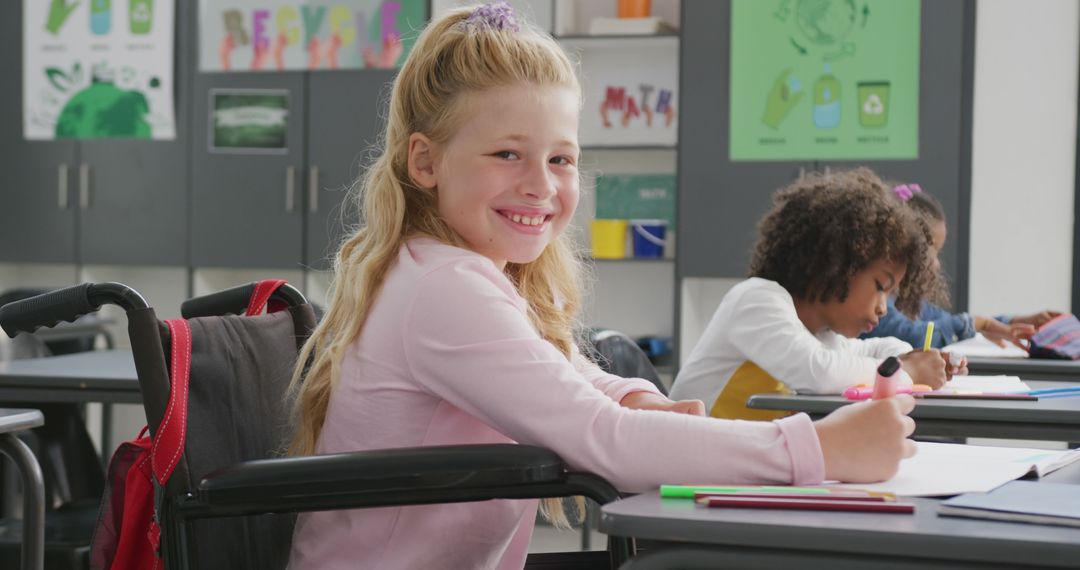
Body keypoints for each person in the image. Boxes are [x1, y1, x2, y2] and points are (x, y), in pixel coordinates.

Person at [285, 6, 916, 569]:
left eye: (561, 159)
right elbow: (601, 439)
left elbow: (572, 378)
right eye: (508, 154)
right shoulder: (445, 288)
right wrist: (820, 447)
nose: (541, 184)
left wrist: (638, 398)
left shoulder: (457, 271)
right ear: (425, 162)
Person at [671, 168, 957, 421]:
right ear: (837, 265)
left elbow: (874, 349)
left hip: (739, 465)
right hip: (688, 467)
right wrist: (908, 373)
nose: (883, 308)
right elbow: (820, 372)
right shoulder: (756, 300)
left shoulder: (821, 334)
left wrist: (912, 357)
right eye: (880, 287)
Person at [861, 183, 1059, 349]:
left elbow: (946, 320)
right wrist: (980, 323)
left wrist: (1011, 322)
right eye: (932, 252)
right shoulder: (877, 301)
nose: (936, 265)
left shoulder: (906, 301)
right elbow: (914, 337)